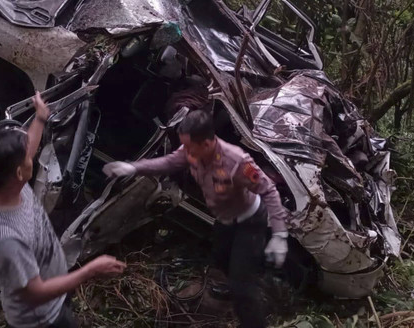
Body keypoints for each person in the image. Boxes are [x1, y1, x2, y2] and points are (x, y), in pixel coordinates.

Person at [103, 109, 288, 328]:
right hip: (224, 220)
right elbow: (169, 162)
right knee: (220, 260)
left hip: (249, 222)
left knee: (242, 290)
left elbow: (269, 191)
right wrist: (133, 167)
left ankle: (253, 316)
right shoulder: (191, 150)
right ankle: (243, 279)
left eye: (190, 148)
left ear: (208, 143)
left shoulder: (237, 161)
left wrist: (279, 234)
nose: (186, 153)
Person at [0, 93, 126, 328]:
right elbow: (35, 293)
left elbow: (28, 150)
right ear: (18, 171)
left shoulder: (3, 183)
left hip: (55, 283)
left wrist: (41, 118)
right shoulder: (5, 241)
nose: (32, 154)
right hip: (42, 317)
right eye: (27, 157)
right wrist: (90, 271)